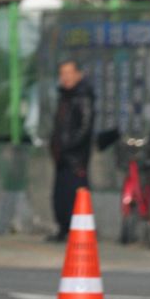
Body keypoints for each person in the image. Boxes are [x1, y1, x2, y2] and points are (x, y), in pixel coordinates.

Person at [50, 59, 94, 241]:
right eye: (62, 73)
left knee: (75, 197)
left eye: (69, 73)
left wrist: (69, 146)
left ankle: (79, 233)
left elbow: (85, 127)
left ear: (78, 75)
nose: (66, 77)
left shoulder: (82, 96)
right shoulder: (64, 96)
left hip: (75, 159)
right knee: (59, 197)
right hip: (61, 159)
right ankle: (63, 230)